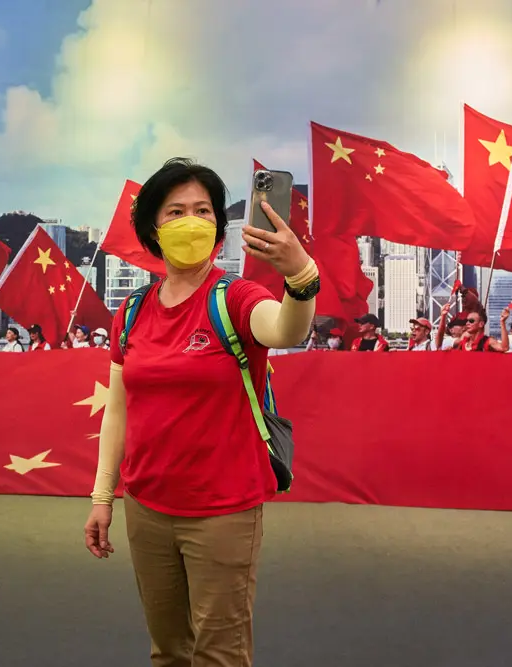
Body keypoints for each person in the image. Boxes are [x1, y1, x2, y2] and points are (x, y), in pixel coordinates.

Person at [84, 158, 318, 667]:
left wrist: (300, 275)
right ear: (152, 227)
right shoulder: (132, 310)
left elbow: (285, 330)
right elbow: (118, 411)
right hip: (146, 507)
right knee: (167, 651)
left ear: (216, 226)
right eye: (175, 212)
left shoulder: (235, 298)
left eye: (202, 210)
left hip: (222, 512)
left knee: (220, 655)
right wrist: (104, 495)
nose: (191, 221)